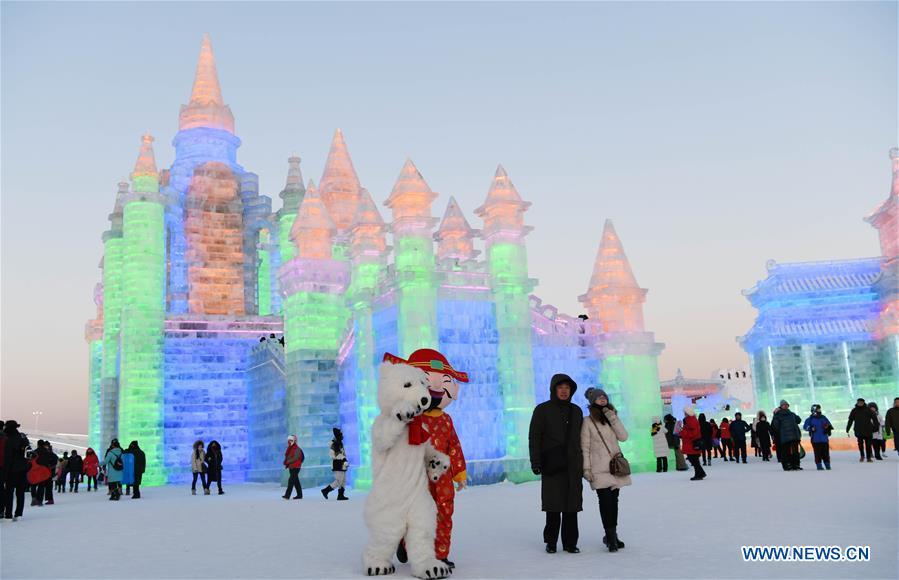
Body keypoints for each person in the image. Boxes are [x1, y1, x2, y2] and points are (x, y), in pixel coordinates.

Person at [528, 374, 584, 554]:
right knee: (553, 505)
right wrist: (536, 461)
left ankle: (570, 542)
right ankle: (551, 541)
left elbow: (582, 439)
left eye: (567, 388)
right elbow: (534, 437)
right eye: (560, 387)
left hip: (573, 464)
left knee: (572, 505)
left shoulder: (577, 411)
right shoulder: (542, 410)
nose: (564, 391)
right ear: (554, 389)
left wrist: (584, 463)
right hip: (551, 463)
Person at [582, 388, 630, 553]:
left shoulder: (611, 417)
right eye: (598, 397)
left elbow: (623, 437)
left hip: (614, 468)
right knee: (605, 502)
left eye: (604, 397)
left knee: (614, 502)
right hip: (598, 469)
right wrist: (586, 468)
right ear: (592, 401)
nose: (602, 399)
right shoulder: (587, 421)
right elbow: (585, 447)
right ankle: (610, 536)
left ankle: (612, 535)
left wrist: (613, 417)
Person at [2, 421, 29, 521]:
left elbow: (8, 457)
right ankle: (19, 514)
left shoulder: (8, 438)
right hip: (23, 468)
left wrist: (5, 472)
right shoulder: (22, 437)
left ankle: (8, 514)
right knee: (20, 492)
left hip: (12, 469)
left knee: (9, 492)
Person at [771, 400, 802, 471]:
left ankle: (796, 465)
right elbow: (775, 426)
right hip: (784, 436)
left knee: (795, 451)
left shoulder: (792, 414)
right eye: (783, 405)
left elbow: (799, 420)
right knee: (786, 452)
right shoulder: (778, 415)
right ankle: (787, 465)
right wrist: (775, 415)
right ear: (781, 406)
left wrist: (795, 415)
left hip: (794, 436)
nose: (785, 406)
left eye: (786, 405)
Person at [322, 428, 349, 500]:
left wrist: (344, 460)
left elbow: (342, 453)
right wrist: (343, 458)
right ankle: (326, 490)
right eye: (341, 434)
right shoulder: (335, 444)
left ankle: (340, 495)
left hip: (342, 464)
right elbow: (333, 455)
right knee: (339, 481)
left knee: (343, 480)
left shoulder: (339, 443)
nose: (342, 436)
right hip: (337, 464)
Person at [803, 404, 833, 470]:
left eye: (820, 409)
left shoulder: (823, 418)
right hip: (815, 440)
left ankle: (827, 465)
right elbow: (805, 426)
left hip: (824, 439)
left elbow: (829, 424)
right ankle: (819, 466)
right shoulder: (810, 419)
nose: (820, 410)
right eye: (818, 409)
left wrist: (828, 428)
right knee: (817, 454)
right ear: (814, 410)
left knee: (826, 453)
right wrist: (811, 428)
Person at [679, 407, 705, 481]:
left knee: (694, 460)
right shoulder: (691, 419)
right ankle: (700, 473)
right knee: (694, 460)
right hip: (691, 443)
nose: (684, 413)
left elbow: (693, 433)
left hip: (691, 444)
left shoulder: (690, 420)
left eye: (685, 412)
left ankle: (699, 474)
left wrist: (682, 432)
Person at [846, 398, 876, 462]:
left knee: (868, 444)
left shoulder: (868, 410)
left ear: (863, 403)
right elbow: (850, 420)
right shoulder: (854, 410)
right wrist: (847, 428)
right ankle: (862, 456)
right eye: (858, 402)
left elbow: (874, 419)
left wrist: (875, 427)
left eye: (861, 402)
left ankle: (868, 457)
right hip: (858, 429)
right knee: (860, 444)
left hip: (868, 429)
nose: (860, 403)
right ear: (857, 403)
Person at [35, 441, 58, 505]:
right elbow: (55, 459)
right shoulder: (49, 452)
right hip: (49, 471)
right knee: (48, 486)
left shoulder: (39, 451)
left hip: (43, 471)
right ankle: (50, 500)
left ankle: (39, 500)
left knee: (41, 485)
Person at [283, 435, 304, 499]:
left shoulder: (297, 449)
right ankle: (299, 495)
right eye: (288, 440)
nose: (289, 442)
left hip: (296, 467)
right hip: (291, 467)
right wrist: (286, 461)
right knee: (296, 481)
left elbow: (296, 458)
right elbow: (288, 457)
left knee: (291, 481)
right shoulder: (290, 448)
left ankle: (287, 495)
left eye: (291, 440)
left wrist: (288, 462)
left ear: (294, 441)